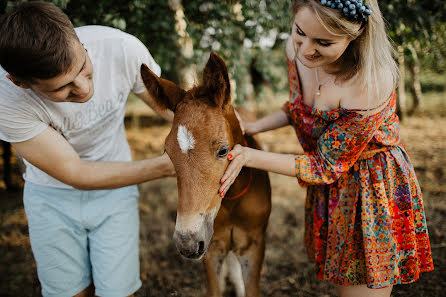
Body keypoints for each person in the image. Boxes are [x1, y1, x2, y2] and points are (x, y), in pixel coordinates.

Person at [220, 0, 434, 296]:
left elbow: (324, 166)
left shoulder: (369, 82)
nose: (306, 50)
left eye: (323, 42)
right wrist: (254, 127)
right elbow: (298, 108)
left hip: (369, 189)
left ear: (356, 34)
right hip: (333, 188)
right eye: (299, 32)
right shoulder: (295, 50)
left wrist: (250, 156)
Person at [0, 2, 175, 297]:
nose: (83, 88)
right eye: (63, 88)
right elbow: (75, 172)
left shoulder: (123, 48)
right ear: (20, 83)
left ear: (80, 42)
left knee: (118, 293)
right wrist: (167, 166)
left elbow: (174, 112)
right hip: (51, 200)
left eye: (83, 67)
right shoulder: (7, 100)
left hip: (116, 191)